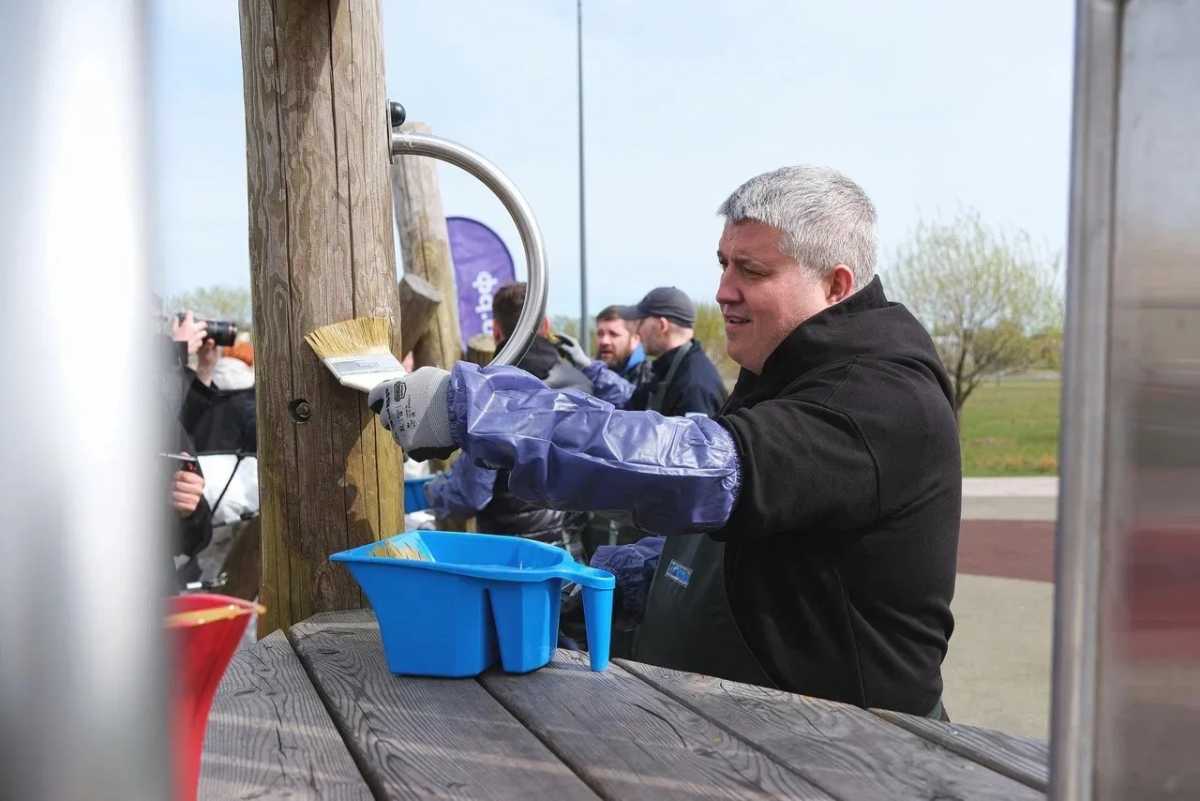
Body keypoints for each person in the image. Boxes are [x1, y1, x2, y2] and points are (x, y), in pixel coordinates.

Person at [369, 166, 961, 718]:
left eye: (752, 271)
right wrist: (626, 575)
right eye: (724, 264)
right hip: (756, 730)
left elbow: (697, 469)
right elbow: (767, 549)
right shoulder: (787, 371)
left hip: (849, 752)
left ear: (835, 285)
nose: (724, 290)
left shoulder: (876, 397)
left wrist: (479, 407)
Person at [422, 282, 593, 557]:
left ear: (496, 331)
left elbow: (469, 495)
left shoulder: (492, 394)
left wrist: (430, 492)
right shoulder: (582, 384)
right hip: (573, 554)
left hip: (514, 563)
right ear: (546, 325)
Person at [559, 287, 727, 418]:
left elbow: (695, 457)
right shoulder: (668, 371)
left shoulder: (693, 385)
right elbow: (632, 405)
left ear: (662, 326)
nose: (638, 332)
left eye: (641, 323)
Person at [593, 305, 653, 390]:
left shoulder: (647, 379)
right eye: (600, 334)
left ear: (635, 339)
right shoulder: (590, 375)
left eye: (613, 334)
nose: (604, 341)